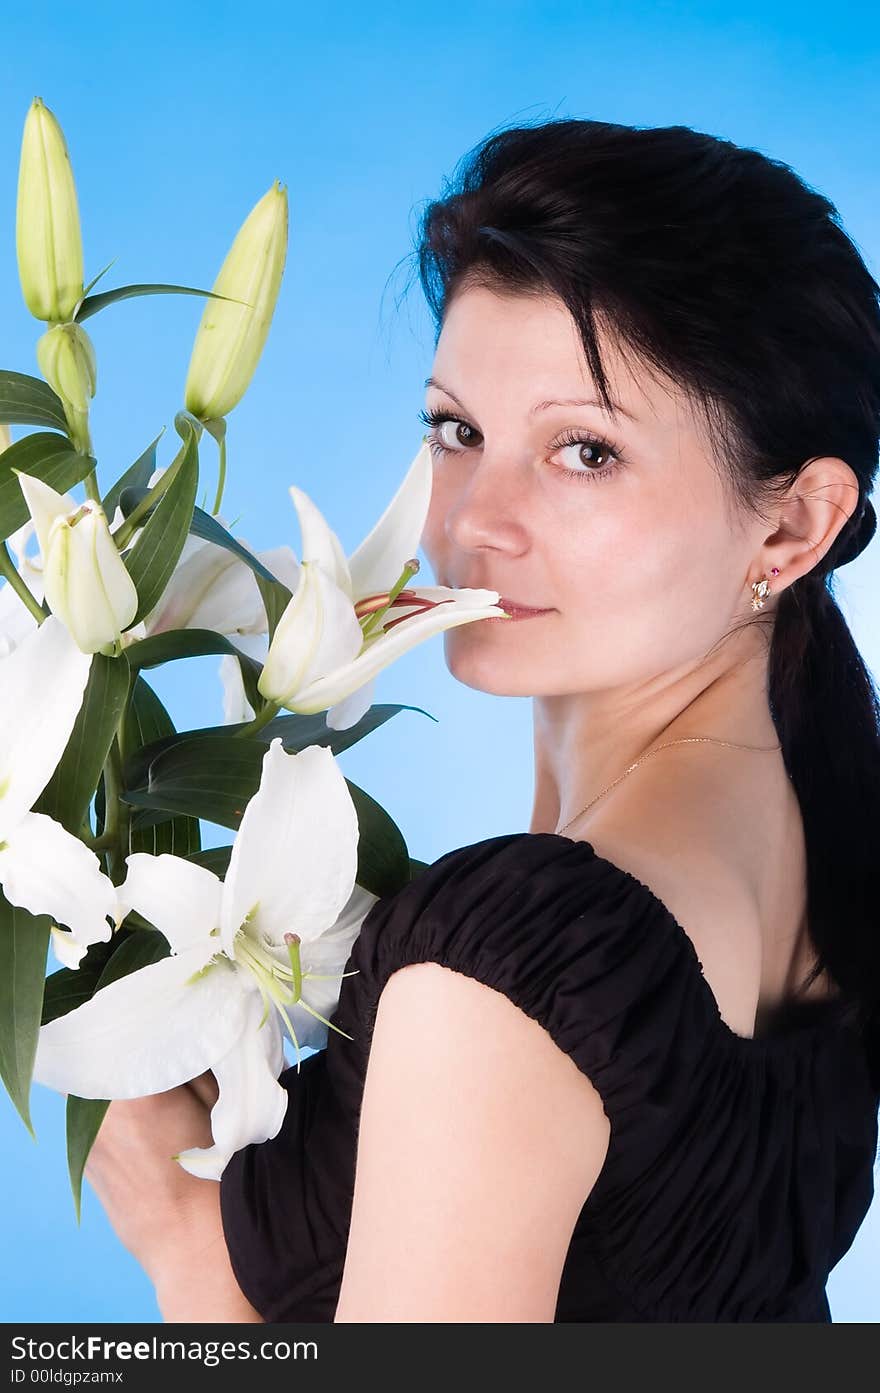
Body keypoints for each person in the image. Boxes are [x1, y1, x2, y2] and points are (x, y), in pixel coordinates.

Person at [83, 118, 880, 1322]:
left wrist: (189, 1247)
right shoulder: (822, 860)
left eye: (584, 451)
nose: (475, 521)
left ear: (793, 526)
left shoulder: (513, 956)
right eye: (458, 430)